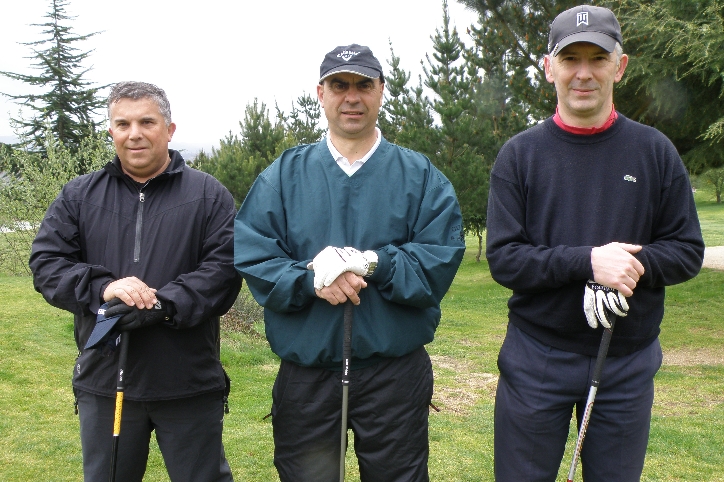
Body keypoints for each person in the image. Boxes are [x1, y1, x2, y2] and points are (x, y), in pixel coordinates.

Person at [485, 5, 705, 482]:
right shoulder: (520, 155)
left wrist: (631, 266)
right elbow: (504, 258)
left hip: (625, 362)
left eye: (597, 58)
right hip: (536, 358)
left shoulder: (654, 151)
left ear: (619, 67)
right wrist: (587, 262)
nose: (583, 73)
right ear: (549, 68)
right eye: (570, 59)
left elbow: (687, 249)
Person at [234, 44, 465, 482]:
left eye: (363, 85)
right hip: (308, 375)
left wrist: (374, 263)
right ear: (321, 93)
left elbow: (438, 260)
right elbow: (255, 253)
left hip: (393, 374)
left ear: (381, 91)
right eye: (340, 85)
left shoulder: (420, 176)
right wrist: (309, 280)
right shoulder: (283, 176)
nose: (352, 97)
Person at [29, 81, 241, 481]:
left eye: (147, 121)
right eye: (122, 124)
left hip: (188, 381)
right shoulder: (78, 195)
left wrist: (161, 304)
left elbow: (224, 271)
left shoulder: (208, 195)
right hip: (105, 379)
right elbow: (47, 263)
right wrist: (103, 288)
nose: (134, 133)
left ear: (170, 129)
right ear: (111, 131)